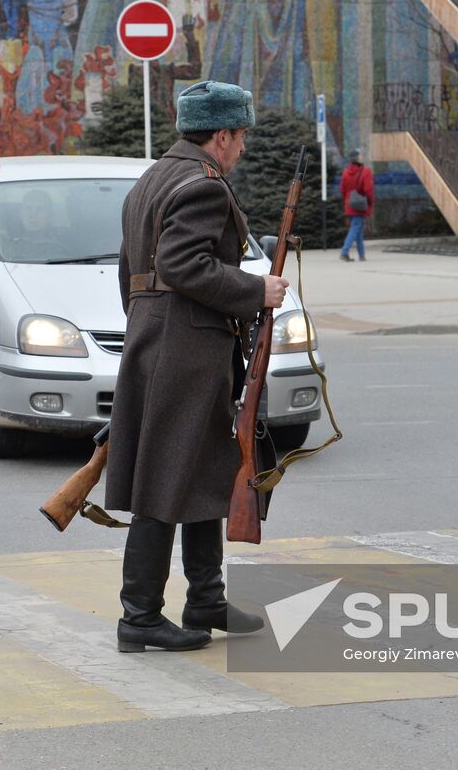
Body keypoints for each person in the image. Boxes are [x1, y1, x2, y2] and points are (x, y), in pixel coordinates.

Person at [107, 79, 288, 654]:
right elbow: (185, 266)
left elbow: (131, 272)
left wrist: (150, 329)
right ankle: (140, 616)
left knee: (204, 470)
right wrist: (256, 290)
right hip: (185, 350)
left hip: (160, 341)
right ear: (221, 134)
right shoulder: (201, 187)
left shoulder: (153, 179)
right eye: (241, 137)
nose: (244, 149)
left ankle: (205, 598)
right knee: (164, 479)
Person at [339, 149, 374, 262]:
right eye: (360, 155)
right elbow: (368, 190)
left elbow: (342, 189)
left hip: (349, 203)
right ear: (357, 158)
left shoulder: (346, 172)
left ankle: (362, 254)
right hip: (360, 203)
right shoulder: (366, 171)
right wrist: (370, 202)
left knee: (358, 228)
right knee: (355, 227)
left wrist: (347, 200)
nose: (362, 156)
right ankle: (344, 252)